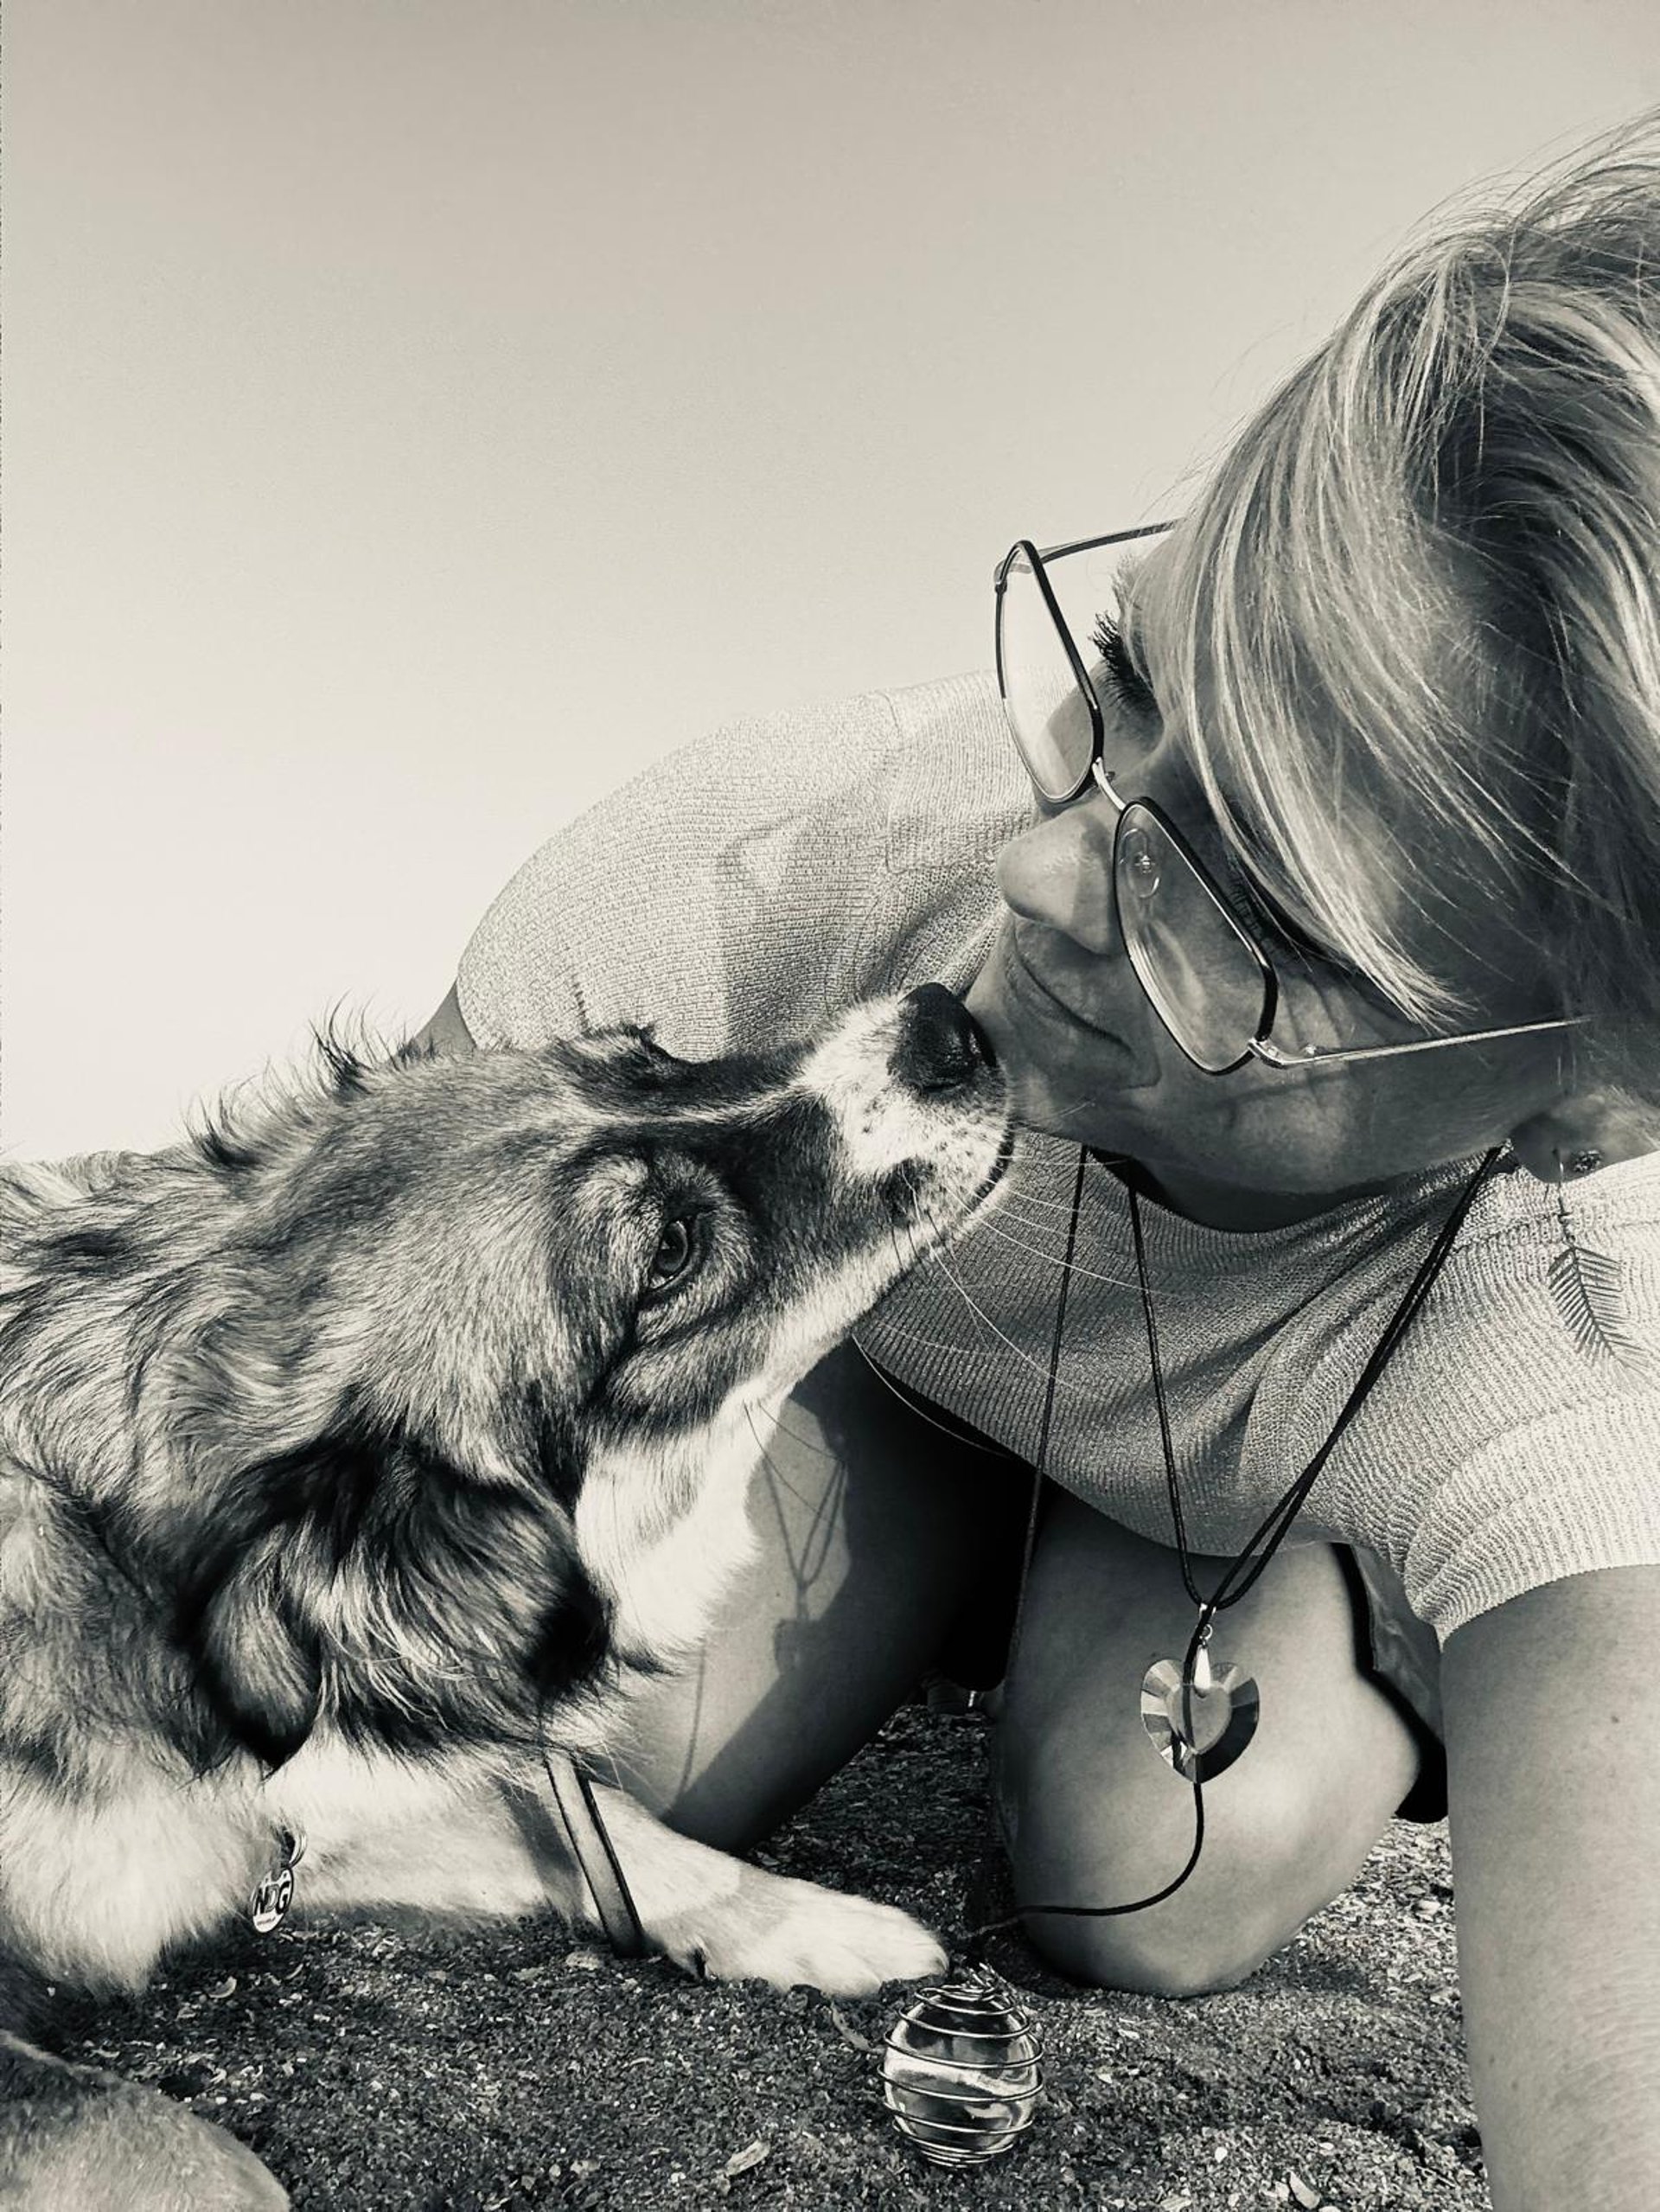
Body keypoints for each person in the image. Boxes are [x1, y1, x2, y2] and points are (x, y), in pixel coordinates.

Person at [417, 124, 1660, 2209]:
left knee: (1138, 1888)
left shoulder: (1582, 1350)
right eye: (1127, 683)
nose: (1037, 870)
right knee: (580, 1767)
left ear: (1585, 1096)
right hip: (900, 1365)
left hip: (1230, 1482)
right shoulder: (754, 873)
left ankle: (1362, 1610)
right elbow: (313, 1292)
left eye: (1252, 912)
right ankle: (971, 1563)